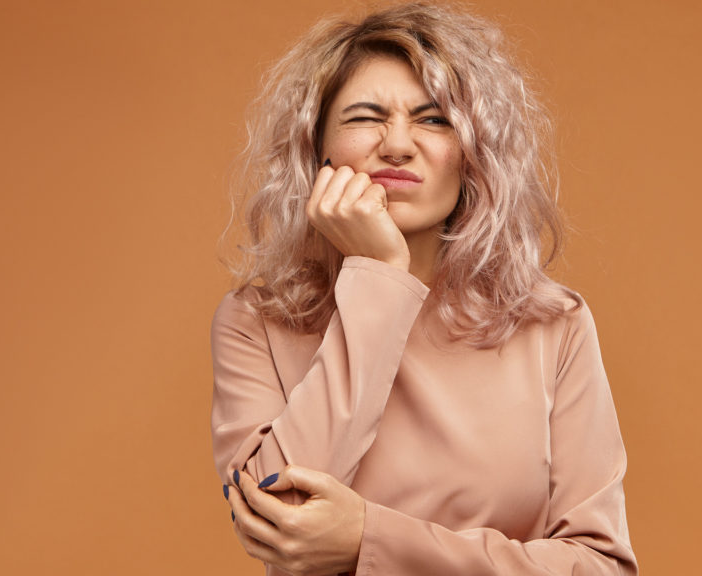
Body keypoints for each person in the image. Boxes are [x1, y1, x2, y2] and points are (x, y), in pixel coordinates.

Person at [211, 3, 638, 574]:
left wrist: (372, 539)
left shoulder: (552, 324)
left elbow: (599, 565)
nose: (397, 145)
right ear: (318, 152)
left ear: (473, 154)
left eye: (434, 119)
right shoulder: (257, 321)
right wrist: (381, 275)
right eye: (365, 117)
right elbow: (277, 515)